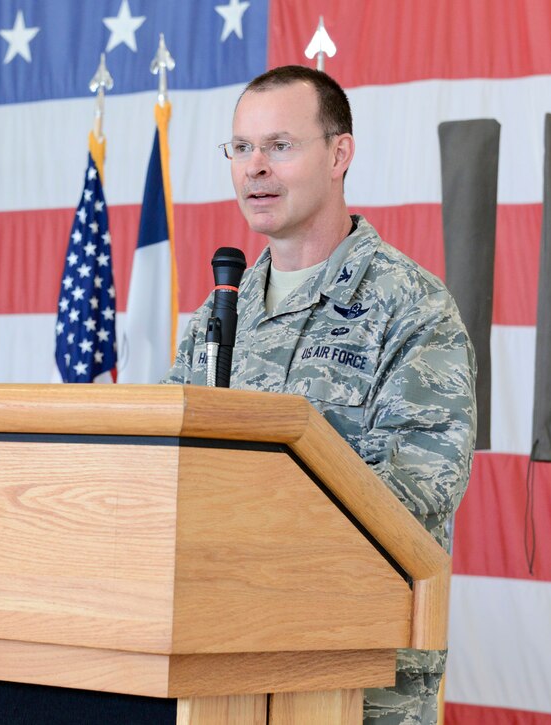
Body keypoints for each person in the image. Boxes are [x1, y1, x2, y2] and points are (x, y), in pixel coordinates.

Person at [162, 65, 476, 723]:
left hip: (357, 688)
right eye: (241, 148)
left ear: (340, 154)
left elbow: (414, 501)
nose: (255, 168)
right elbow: (160, 467)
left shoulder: (412, 310)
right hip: (222, 674)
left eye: (279, 145)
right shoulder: (220, 314)